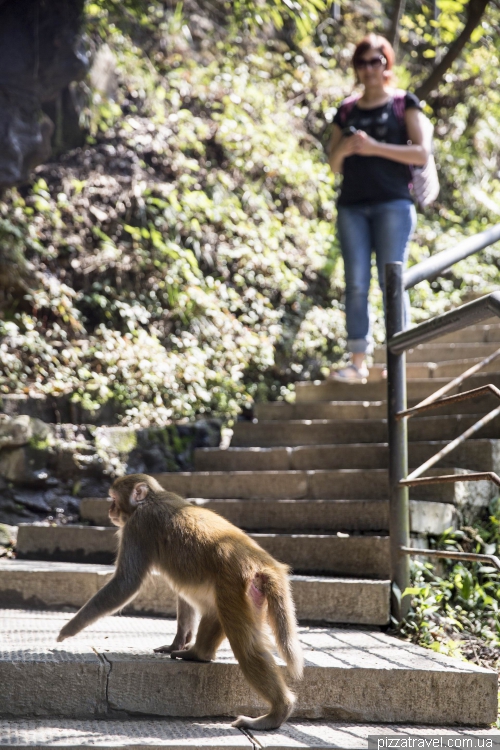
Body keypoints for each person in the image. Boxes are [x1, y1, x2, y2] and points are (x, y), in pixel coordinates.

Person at [328, 33, 429, 382]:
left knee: (392, 281)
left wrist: (374, 147)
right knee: (356, 283)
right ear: (356, 67)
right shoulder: (346, 109)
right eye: (363, 62)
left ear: (387, 63)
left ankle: (397, 358)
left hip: (394, 204)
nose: (370, 68)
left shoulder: (404, 102)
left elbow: (420, 153)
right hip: (352, 207)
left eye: (376, 61)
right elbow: (333, 163)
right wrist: (348, 147)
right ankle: (358, 362)